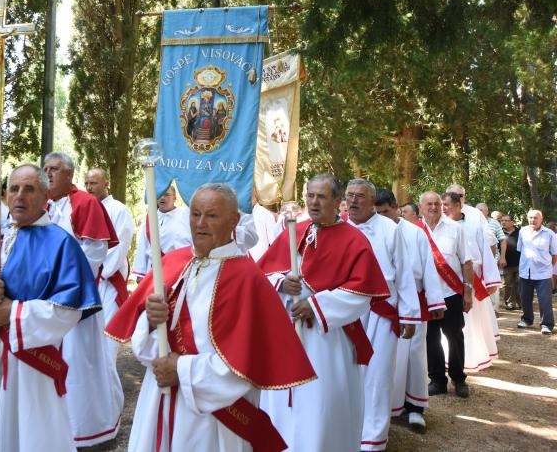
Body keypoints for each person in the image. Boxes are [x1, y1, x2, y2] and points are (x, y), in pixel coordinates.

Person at [106, 183, 316, 451]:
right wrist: (149, 320)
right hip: (159, 398)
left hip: (214, 418)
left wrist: (180, 369)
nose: (200, 223)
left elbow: (244, 367)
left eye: (212, 215)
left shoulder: (248, 280)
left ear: (234, 221)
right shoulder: (171, 264)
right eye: (195, 214)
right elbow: (146, 343)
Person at [0, 164, 102, 451]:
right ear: (5, 195)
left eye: (29, 189)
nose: (20, 196)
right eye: (14, 189)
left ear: (45, 195)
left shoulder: (61, 243)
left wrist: (13, 313)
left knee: (29, 432)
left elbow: (69, 310)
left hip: (29, 361)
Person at [259, 174, 390, 452]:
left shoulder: (354, 240)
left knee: (321, 406)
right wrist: (282, 282)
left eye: (321, 197)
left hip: (327, 341)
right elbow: (263, 276)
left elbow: (362, 295)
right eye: (310, 195)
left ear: (337, 202)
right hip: (287, 335)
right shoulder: (294, 232)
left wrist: (317, 306)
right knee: (283, 406)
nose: (314, 202)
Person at [43, 152, 123, 446]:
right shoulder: (45, 204)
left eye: (54, 169)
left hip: (75, 296)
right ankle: (54, 423)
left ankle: (89, 428)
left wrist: (62, 277)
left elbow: (95, 252)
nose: (48, 174)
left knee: (81, 363)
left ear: (69, 174)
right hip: (47, 300)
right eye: (46, 169)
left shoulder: (86, 203)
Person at [345, 180, 417, 452]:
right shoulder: (336, 228)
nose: (353, 201)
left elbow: (404, 272)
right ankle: (347, 432)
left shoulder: (390, 229)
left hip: (381, 313)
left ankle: (373, 441)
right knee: (347, 373)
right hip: (345, 313)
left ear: (372, 200)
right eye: (349, 195)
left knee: (377, 376)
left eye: (360, 196)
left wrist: (408, 316)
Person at [375, 189, 444, 432]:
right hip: (381, 303)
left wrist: (435, 302)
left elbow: (428, 268)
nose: (381, 216)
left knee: (415, 355)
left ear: (395, 207)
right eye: (377, 212)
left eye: (385, 211)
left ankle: (415, 408)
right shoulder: (373, 231)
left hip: (413, 300)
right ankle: (387, 405)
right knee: (386, 355)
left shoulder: (415, 233)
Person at [418, 191, 473, 399]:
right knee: (431, 338)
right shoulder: (414, 230)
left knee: (454, 336)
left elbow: (467, 262)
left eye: (436, 203)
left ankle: (459, 379)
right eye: (428, 204)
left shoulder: (455, 229)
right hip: (426, 296)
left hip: (450, 293)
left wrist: (468, 291)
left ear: (442, 205)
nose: (433, 207)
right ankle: (437, 380)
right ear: (421, 206)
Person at [441, 192, 500, 373]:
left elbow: (486, 246)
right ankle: (446, 356)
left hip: (471, 276)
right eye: (442, 204)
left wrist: (490, 278)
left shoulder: (475, 219)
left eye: (447, 204)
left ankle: (473, 356)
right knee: (450, 322)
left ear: (459, 204)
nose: (443, 208)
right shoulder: (437, 224)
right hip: (446, 278)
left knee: (472, 321)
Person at [84, 167, 135, 360]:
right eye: (87, 183)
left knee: (106, 338)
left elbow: (120, 245)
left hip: (107, 280)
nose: (89, 187)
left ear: (106, 183)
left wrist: (98, 270)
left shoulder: (119, 210)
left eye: (94, 183)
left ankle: (109, 386)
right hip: (88, 280)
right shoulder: (84, 209)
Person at [132, 185, 192, 281]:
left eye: (167, 195)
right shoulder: (151, 218)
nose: (162, 198)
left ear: (174, 198)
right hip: (153, 270)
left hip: (177, 269)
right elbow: (143, 246)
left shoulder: (185, 215)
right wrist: (140, 274)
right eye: (160, 195)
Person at [516, 209, 557, 334]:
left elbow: (554, 254)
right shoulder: (522, 231)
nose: (532, 220)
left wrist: (548, 267)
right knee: (525, 298)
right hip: (525, 271)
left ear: (541, 219)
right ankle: (527, 319)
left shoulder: (550, 234)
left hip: (543, 273)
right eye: (530, 217)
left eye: (535, 218)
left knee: (544, 299)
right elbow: (520, 250)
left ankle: (546, 324)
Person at [499, 214, 521, 310]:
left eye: (506, 220)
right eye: (502, 220)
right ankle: (509, 303)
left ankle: (520, 302)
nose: (503, 222)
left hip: (520, 263)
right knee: (508, 284)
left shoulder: (520, 232)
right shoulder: (499, 233)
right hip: (506, 263)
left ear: (512, 222)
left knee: (519, 283)